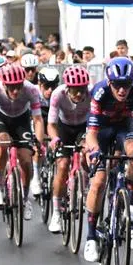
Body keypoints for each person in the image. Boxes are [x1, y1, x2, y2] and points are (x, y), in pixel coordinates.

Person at [82, 58, 133, 262]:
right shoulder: (99, 91)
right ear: (109, 82)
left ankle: (129, 205)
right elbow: (92, 132)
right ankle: (91, 236)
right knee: (99, 181)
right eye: (117, 86)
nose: (122, 91)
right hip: (101, 129)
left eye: (126, 85)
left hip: (125, 126)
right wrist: (94, 152)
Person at [0, 63, 46, 217]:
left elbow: (38, 119)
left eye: (18, 86)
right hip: (1, 118)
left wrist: (38, 142)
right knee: (2, 143)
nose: (16, 91)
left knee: (26, 159)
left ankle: (24, 199)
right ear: (3, 83)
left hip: (21, 121)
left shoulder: (31, 89)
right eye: (11, 87)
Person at [46, 65, 92, 233]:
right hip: (63, 128)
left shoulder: (92, 94)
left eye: (82, 89)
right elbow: (51, 124)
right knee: (63, 165)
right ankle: (56, 213)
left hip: (83, 128)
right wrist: (55, 138)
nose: (79, 94)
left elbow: (97, 122)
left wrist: (90, 140)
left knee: (87, 154)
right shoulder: (58, 94)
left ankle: (84, 187)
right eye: (75, 90)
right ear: (67, 88)